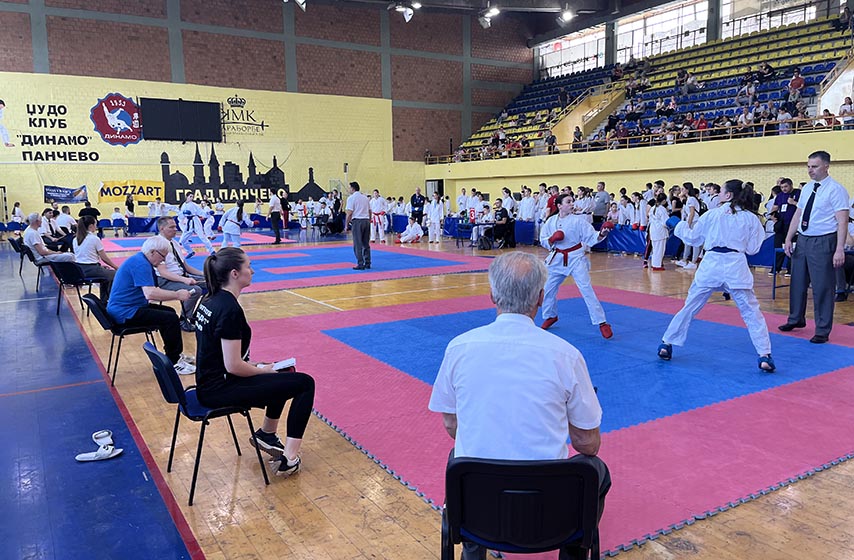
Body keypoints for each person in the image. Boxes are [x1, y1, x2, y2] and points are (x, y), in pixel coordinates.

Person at [428, 252, 611, 560]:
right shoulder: (566, 355)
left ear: (491, 296)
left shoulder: (459, 348)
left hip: (480, 507)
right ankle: (574, 547)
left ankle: (474, 547)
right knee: (594, 470)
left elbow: (451, 425)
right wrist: (557, 412)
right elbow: (587, 444)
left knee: (461, 461)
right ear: (541, 298)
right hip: (551, 509)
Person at [194, 248, 315, 477]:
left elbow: (219, 354)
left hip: (210, 381)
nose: (252, 270)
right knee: (305, 383)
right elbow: (233, 366)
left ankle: (266, 434)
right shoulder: (229, 309)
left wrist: (264, 368)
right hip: (219, 389)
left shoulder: (209, 299)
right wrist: (262, 370)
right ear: (234, 274)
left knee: (284, 371)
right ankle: (290, 459)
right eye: (248, 266)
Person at [657, 180, 774, 371]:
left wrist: (676, 225)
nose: (717, 194)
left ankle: (667, 343)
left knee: (690, 306)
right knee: (752, 313)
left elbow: (693, 238)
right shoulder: (751, 219)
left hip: (711, 265)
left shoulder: (711, 215)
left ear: (728, 195)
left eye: (720, 191)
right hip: (735, 265)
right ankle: (765, 355)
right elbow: (753, 249)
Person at [780, 151, 851, 343]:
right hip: (803, 239)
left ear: (826, 166)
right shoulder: (808, 188)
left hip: (823, 240)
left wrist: (839, 249)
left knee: (822, 286)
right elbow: (799, 214)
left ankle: (822, 329)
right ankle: (796, 318)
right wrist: (788, 238)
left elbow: (842, 221)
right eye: (808, 166)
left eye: (815, 166)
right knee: (797, 281)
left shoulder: (836, 190)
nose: (810, 170)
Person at [106, 236, 195, 374]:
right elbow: (150, 294)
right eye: (163, 256)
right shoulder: (140, 264)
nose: (163, 260)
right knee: (169, 319)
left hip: (128, 308)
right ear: (153, 252)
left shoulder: (140, 260)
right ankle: (174, 362)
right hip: (125, 313)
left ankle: (174, 355)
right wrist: (177, 294)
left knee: (170, 312)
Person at [539, 193, 613, 339]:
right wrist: (552, 239)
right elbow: (543, 240)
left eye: (572, 201)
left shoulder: (578, 221)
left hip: (575, 258)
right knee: (547, 289)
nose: (572, 204)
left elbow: (592, 237)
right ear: (559, 206)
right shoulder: (551, 221)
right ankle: (550, 315)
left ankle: (602, 322)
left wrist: (602, 234)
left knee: (586, 289)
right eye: (568, 202)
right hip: (557, 258)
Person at [154, 216, 208, 332]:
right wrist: (184, 280)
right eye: (172, 227)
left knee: (213, 284)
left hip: (182, 276)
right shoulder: (158, 244)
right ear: (162, 228)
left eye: (175, 226)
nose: (175, 229)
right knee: (196, 290)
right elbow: (163, 272)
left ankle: (196, 316)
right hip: (166, 280)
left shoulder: (174, 243)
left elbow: (186, 267)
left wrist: (204, 274)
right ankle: (183, 320)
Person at [72, 216, 117, 302]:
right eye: (95, 224)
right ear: (91, 226)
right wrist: (116, 267)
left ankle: (105, 300)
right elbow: (104, 258)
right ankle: (110, 300)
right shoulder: (94, 239)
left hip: (79, 269)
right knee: (115, 274)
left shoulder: (75, 239)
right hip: (91, 269)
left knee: (106, 274)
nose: (96, 227)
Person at [769, 178, 800, 276]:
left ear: (791, 185)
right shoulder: (780, 196)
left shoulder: (798, 193)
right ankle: (776, 268)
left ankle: (790, 269)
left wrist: (793, 203)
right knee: (778, 246)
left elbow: (803, 207)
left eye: (786, 186)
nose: (784, 189)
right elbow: (774, 207)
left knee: (792, 247)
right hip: (781, 224)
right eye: (782, 187)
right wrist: (773, 216)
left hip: (793, 224)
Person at [178, 192, 215, 258]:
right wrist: (184, 213)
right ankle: (190, 252)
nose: (192, 198)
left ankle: (212, 251)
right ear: (187, 196)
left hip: (195, 220)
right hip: (188, 223)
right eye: (190, 196)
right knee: (182, 240)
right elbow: (180, 216)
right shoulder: (183, 205)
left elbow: (201, 212)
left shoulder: (194, 204)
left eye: (192, 196)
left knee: (202, 236)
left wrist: (208, 213)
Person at [344, 181, 371, 270]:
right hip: (366, 220)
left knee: (357, 243)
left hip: (357, 221)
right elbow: (370, 211)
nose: (348, 189)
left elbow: (349, 213)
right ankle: (367, 262)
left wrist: (346, 225)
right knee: (365, 243)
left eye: (349, 188)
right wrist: (369, 219)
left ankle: (360, 263)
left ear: (352, 188)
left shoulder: (351, 198)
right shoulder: (365, 198)